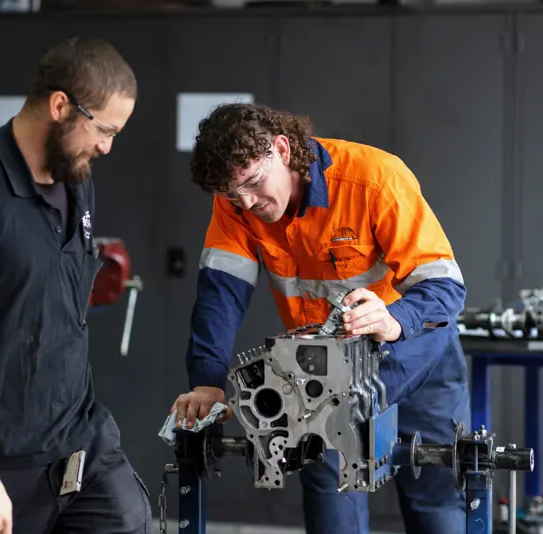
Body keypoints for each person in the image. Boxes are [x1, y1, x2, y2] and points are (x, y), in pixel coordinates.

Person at [169, 103, 469, 534]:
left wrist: (393, 319)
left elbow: (445, 286)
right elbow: (220, 296)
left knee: (436, 509)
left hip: (416, 358)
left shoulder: (374, 179)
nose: (247, 203)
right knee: (331, 506)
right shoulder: (235, 201)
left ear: (281, 149)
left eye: (253, 183)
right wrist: (207, 381)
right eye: (233, 195)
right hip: (323, 378)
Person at [0, 37, 151, 534]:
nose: (107, 147)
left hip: (77, 439)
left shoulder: (76, 178)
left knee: (130, 521)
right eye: (104, 129)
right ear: (60, 106)